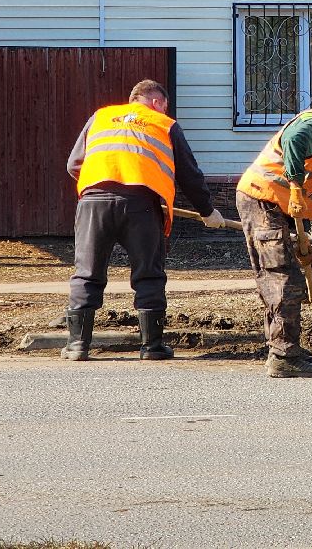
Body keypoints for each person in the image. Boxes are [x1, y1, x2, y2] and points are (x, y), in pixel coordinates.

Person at [65, 80, 224, 361]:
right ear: (156, 102)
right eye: (165, 106)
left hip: (93, 203)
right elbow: (189, 174)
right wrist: (207, 211)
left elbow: (74, 164)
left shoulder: (99, 117)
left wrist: (102, 187)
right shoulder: (165, 125)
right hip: (141, 205)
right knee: (148, 273)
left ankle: (78, 345)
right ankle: (151, 347)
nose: (166, 111)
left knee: (86, 273)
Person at [235, 76, 312, 378]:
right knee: (281, 278)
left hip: (271, 205)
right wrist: (294, 189)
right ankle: (283, 356)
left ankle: (285, 347)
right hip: (264, 200)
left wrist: (299, 233)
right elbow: (293, 142)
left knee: (281, 272)